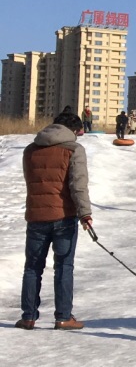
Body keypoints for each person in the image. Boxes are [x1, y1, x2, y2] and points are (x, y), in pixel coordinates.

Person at [17, 111, 93, 330]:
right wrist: (85, 214)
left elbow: (30, 180)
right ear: (72, 130)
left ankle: (28, 316)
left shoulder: (31, 149)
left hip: (36, 216)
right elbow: (78, 185)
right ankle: (63, 317)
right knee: (63, 266)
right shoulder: (73, 150)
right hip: (64, 217)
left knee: (32, 268)